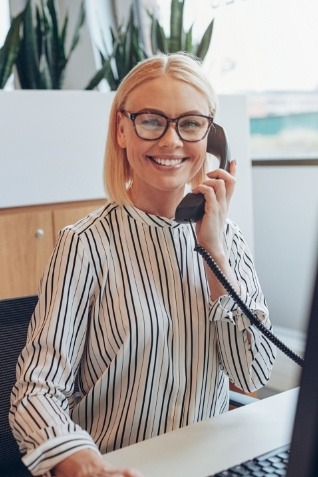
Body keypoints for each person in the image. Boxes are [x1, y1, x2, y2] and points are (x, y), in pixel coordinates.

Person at [10, 52, 276, 477]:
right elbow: (37, 391)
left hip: (207, 461)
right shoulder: (85, 244)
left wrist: (214, 255)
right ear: (121, 129)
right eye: (152, 121)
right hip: (116, 466)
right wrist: (81, 463)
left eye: (190, 123)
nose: (172, 142)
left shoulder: (227, 238)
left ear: (212, 136)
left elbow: (253, 371)